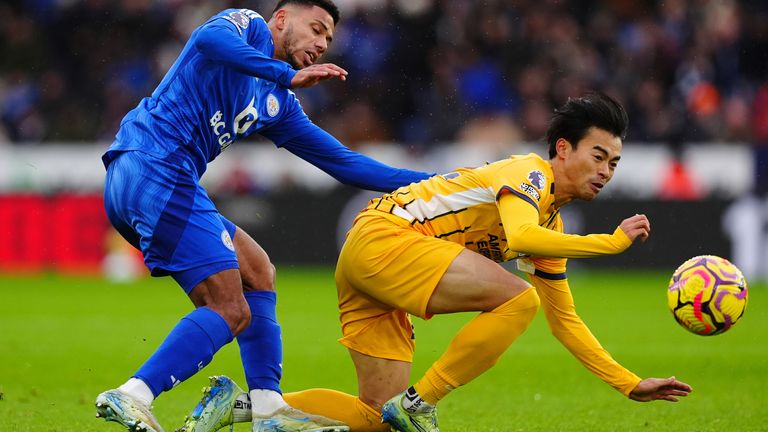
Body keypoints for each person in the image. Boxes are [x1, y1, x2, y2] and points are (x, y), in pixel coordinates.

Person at [178, 92, 693, 432]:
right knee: (518, 298)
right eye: (598, 156)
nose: (606, 171)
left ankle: (241, 406)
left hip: (370, 259)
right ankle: (422, 404)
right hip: (388, 240)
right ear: (563, 149)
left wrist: (628, 382)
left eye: (614, 163)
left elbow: (566, 321)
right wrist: (609, 244)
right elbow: (519, 232)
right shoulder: (530, 174)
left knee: (375, 418)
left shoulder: (550, 227)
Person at [95, 2, 433, 432]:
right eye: (315, 29)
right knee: (230, 308)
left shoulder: (277, 104)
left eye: (328, 39)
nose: (321, 44)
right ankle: (133, 394)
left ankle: (268, 407)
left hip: (151, 177)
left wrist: (437, 183)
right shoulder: (248, 26)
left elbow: (344, 163)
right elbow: (206, 39)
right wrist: (285, 74)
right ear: (281, 19)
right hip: (155, 164)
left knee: (257, 271)